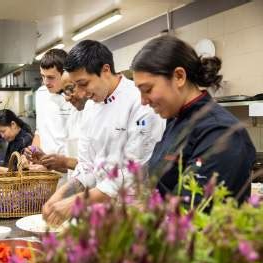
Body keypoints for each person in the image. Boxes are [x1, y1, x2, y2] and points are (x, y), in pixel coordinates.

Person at [43, 40, 166, 226]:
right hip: (101, 209)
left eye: (84, 84)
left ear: (105, 70)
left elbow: (133, 170)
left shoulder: (139, 102)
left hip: (137, 211)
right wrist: (60, 195)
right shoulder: (91, 108)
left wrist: (78, 201)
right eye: (76, 85)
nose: (81, 93)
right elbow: (87, 166)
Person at [130, 35, 256, 204]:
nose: (143, 101)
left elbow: (196, 211)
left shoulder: (220, 133)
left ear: (179, 76)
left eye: (147, 89)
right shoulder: (175, 121)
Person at [27, 71, 91, 176]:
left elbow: (96, 168)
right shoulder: (75, 112)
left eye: (70, 89)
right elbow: (79, 168)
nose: (66, 98)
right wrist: (46, 160)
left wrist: (62, 162)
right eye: (43, 76)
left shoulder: (91, 112)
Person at [32, 48, 72, 156]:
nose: (46, 82)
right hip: (44, 167)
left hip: (67, 168)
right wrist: (32, 153)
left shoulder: (75, 97)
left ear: (64, 74)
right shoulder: (41, 93)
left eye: (50, 77)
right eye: (43, 76)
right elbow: (39, 131)